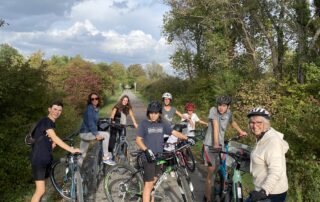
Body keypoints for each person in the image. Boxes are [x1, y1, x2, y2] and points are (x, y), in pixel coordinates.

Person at [136, 101, 195, 202]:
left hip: (159, 157)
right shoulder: (144, 123)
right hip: (148, 157)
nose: (153, 115)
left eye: (155, 113)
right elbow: (138, 140)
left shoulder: (162, 123)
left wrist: (187, 138)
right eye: (151, 112)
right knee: (148, 184)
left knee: (154, 184)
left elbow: (174, 132)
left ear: (159, 113)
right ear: (148, 113)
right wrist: (146, 150)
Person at [30, 101, 81, 202]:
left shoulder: (51, 123)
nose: (57, 112)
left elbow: (49, 140)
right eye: (55, 109)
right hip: (39, 159)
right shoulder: (46, 121)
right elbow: (54, 137)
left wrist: (51, 145)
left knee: (42, 191)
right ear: (49, 109)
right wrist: (71, 149)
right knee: (40, 190)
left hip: (45, 158)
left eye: (59, 110)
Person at [203, 95, 247, 202]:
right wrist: (216, 144)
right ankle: (207, 198)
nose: (221, 108)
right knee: (211, 172)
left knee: (221, 168)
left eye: (224, 106)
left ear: (228, 106)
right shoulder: (213, 110)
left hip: (220, 145)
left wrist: (240, 131)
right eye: (219, 105)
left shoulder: (229, 113)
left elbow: (232, 122)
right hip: (210, 146)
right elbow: (215, 126)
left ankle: (221, 187)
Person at [246, 107, 289, 202]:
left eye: (259, 122)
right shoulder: (262, 137)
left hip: (272, 193)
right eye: (252, 122)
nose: (254, 125)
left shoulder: (272, 142)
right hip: (261, 189)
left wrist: (263, 192)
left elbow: (276, 170)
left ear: (266, 124)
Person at [79, 92, 115, 165]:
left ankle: (74, 173)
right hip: (86, 133)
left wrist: (106, 121)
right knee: (106, 135)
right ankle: (106, 157)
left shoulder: (95, 109)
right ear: (90, 100)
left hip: (84, 133)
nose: (95, 100)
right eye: (92, 99)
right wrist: (96, 134)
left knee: (81, 154)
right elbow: (90, 122)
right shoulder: (90, 109)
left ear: (98, 99)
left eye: (96, 98)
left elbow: (95, 120)